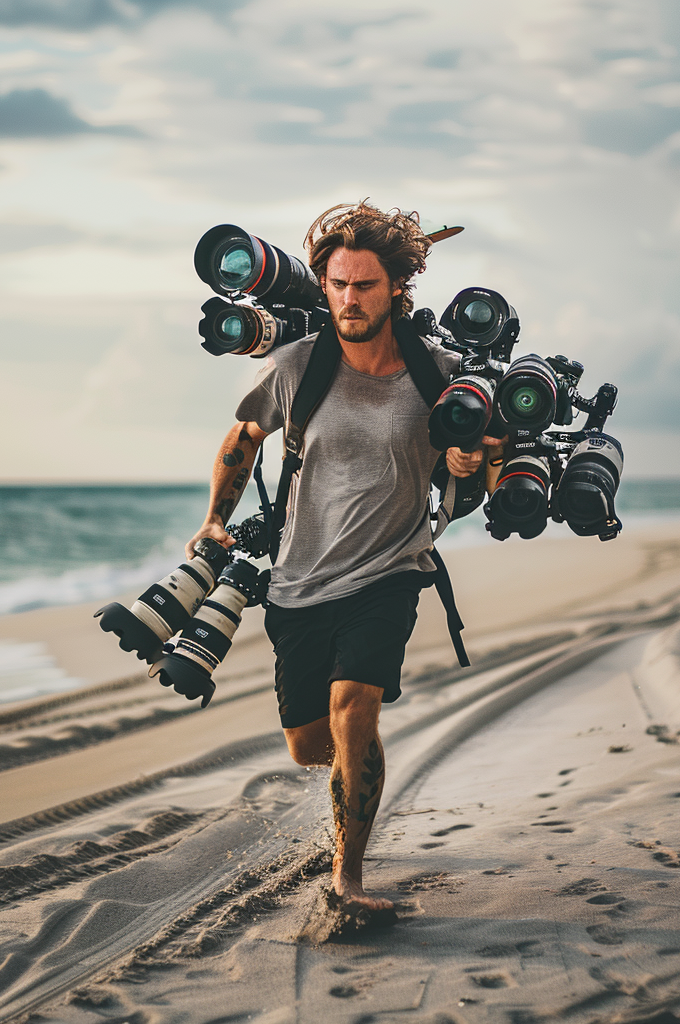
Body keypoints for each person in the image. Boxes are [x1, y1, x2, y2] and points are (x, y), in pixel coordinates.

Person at [185, 202, 498, 910]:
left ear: (395, 290)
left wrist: (468, 457)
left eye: (364, 285)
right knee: (310, 745)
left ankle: (347, 876)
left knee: (354, 709)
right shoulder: (300, 364)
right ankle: (361, 771)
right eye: (339, 285)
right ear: (322, 286)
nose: (350, 299)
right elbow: (243, 439)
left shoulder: (441, 372)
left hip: (391, 571)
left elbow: (490, 452)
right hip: (298, 582)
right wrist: (212, 521)